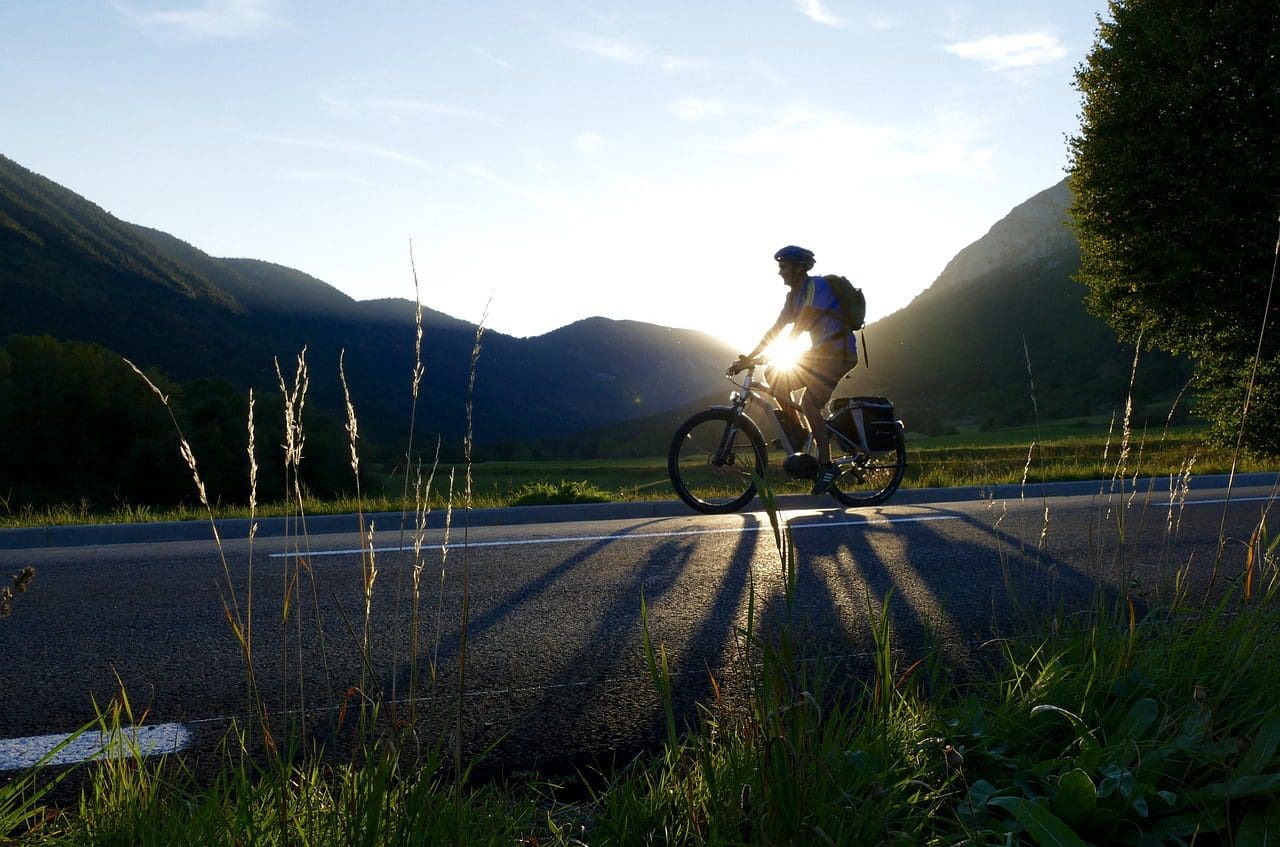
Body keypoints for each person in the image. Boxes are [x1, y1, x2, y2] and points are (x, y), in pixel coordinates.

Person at [737, 245, 858, 495]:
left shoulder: (817, 287)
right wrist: (749, 357)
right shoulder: (793, 297)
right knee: (774, 376)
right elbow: (776, 328)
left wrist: (785, 348)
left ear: (799, 267)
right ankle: (799, 435)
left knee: (810, 404)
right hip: (821, 354)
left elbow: (803, 321)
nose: (780, 272)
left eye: (784, 267)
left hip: (839, 352)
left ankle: (826, 465)